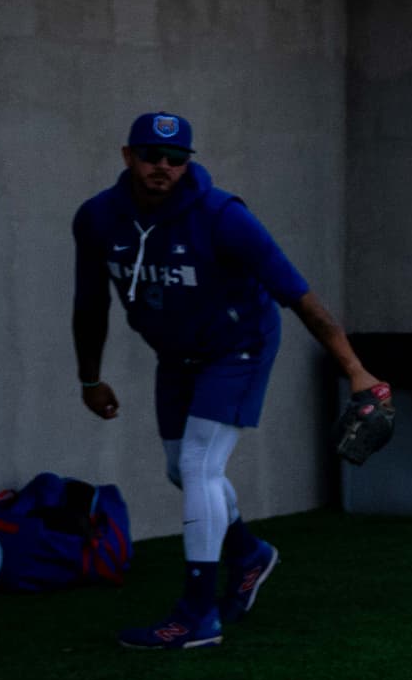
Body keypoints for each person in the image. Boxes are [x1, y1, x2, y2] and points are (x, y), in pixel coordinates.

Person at [69, 109, 386, 651]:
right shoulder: (98, 218)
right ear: (128, 156)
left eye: (175, 159)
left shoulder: (222, 216)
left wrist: (355, 370)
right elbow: (89, 303)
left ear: (188, 163)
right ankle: (248, 554)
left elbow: (299, 297)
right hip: (176, 354)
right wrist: (90, 379)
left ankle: (197, 614)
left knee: (199, 465)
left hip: (239, 347)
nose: (162, 168)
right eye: (151, 156)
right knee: (181, 470)